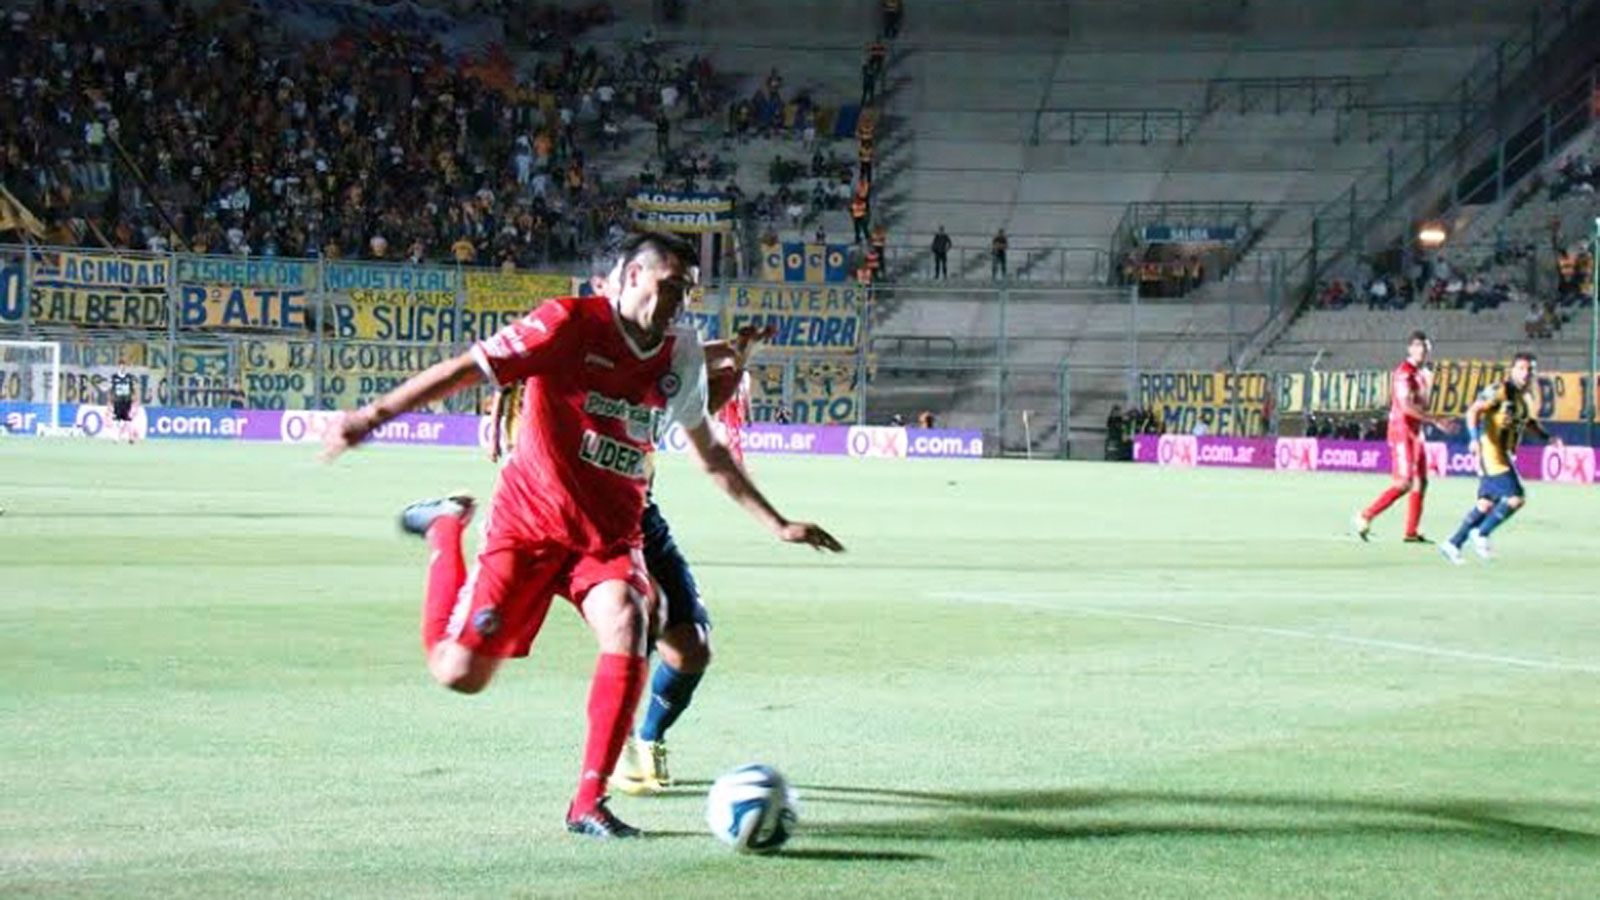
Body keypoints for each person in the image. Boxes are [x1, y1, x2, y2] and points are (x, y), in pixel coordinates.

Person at [321, 232, 844, 839]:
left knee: (629, 617)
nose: (679, 300)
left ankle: (589, 803)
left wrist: (777, 523)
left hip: (610, 537)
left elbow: (710, 453)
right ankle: (444, 529)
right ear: (629, 277)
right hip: (528, 527)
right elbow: (468, 368)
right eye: (670, 284)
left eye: (687, 290)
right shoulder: (567, 323)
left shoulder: (679, 353)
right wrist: (372, 416)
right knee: (459, 673)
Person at [1439, 352, 1559, 563]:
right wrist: (1474, 439)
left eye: (1530, 370)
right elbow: (1473, 411)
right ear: (1512, 370)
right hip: (1492, 451)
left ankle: (1453, 544)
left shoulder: (1524, 398)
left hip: (1504, 453)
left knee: (1485, 504)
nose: (1526, 373)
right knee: (1516, 498)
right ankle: (1481, 533)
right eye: (1521, 368)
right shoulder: (1501, 390)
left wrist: (1547, 437)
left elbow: (1527, 422)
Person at [1352, 331, 1458, 543]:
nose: (1422, 350)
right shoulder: (1404, 373)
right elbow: (1406, 407)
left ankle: (1411, 531)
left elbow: (1420, 405)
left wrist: (1429, 419)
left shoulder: (1423, 374)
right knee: (1404, 483)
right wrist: (1435, 420)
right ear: (1409, 349)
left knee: (1421, 481)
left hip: (1416, 431)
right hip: (1402, 431)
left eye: (1425, 346)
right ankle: (1365, 515)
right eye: (1417, 346)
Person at [106, 363, 140, 444]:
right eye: (121, 366)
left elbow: (134, 389)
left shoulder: (129, 377)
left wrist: (136, 398)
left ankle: (131, 438)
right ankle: (116, 438)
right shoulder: (114, 377)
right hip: (117, 401)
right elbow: (110, 389)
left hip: (127, 401)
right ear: (118, 367)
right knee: (116, 420)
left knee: (128, 419)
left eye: (124, 367)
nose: (122, 368)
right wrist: (109, 400)